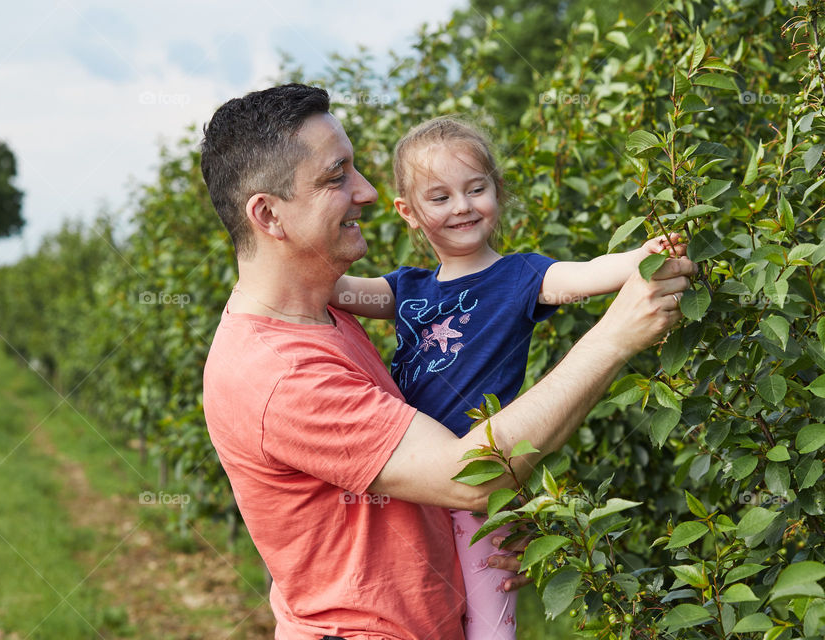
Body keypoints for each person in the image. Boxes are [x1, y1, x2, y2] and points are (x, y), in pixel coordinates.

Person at [200, 83, 696, 640]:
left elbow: (428, 475)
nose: (364, 191)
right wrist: (615, 337)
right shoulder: (280, 373)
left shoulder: (325, 315)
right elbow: (467, 478)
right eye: (336, 175)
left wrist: (491, 519)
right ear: (267, 214)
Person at [330, 116, 686, 640]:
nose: (463, 206)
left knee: (488, 620)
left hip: (478, 479)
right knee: (420, 611)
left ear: (496, 189)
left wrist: (642, 257)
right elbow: (334, 289)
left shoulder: (522, 276)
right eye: (440, 197)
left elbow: (586, 273)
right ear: (408, 212)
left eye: (477, 189)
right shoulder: (405, 289)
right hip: (413, 477)